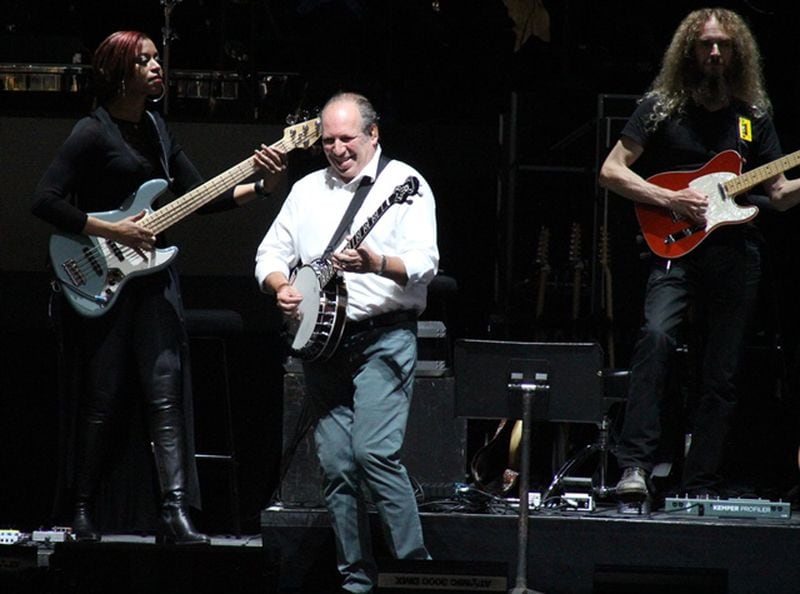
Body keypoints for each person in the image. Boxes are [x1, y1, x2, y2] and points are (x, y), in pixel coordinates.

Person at [31, 30, 285, 543]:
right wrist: (112, 229)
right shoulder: (92, 132)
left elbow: (199, 196)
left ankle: (175, 513)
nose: (156, 68)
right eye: (143, 61)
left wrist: (262, 185)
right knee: (101, 397)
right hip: (101, 274)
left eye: (155, 59)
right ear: (119, 72)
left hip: (153, 280)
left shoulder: (157, 130)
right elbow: (46, 201)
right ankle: (80, 508)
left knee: (165, 391)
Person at [599, 8, 800, 501]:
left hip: (735, 253)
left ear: (738, 53)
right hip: (676, 246)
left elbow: (777, 193)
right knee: (656, 339)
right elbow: (611, 171)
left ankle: (700, 483)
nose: (715, 53)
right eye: (706, 44)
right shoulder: (660, 107)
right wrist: (669, 198)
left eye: (724, 45)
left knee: (721, 372)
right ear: (690, 50)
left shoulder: (752, 116)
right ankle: (635, 467)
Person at [255, 92, 438, 592]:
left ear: (373, 135)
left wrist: (377, 262)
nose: (337, 149)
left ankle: (415, 573)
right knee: (336, 465)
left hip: (383, 337)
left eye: (347, 139)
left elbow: (425, 262)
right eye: (329, 140)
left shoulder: (406, 185)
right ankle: (356, 580)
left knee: (374, 453)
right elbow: (270, 252)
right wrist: (281, 287)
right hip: (324, 344)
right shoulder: (308, 190)